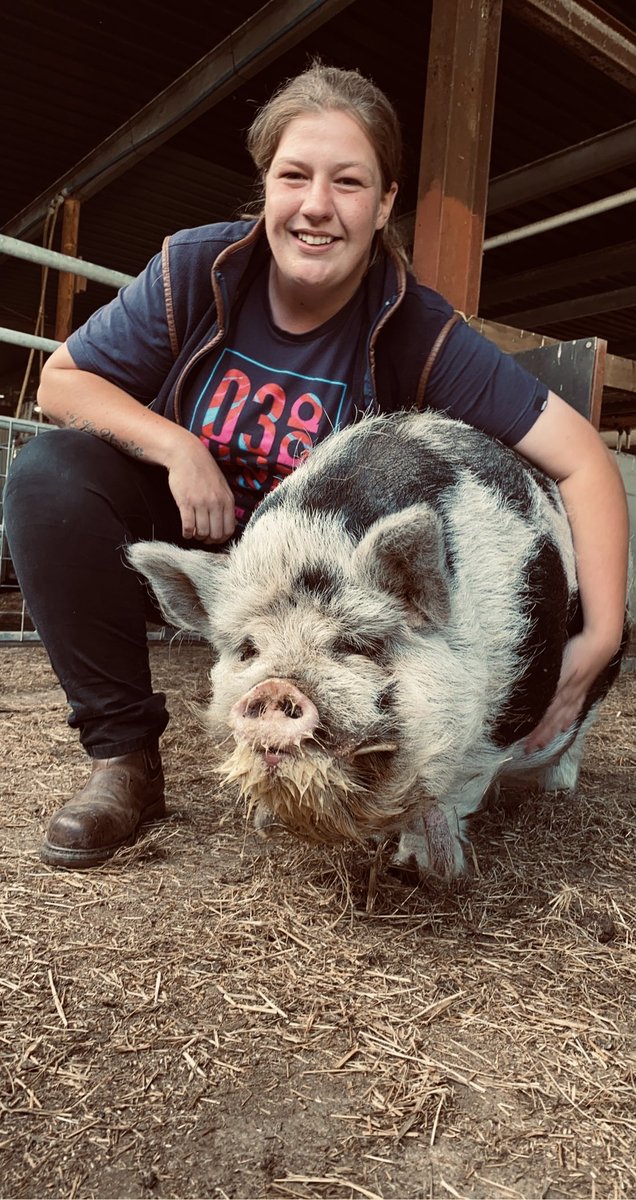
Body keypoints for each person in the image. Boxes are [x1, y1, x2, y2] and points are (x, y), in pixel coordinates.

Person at [4, 62, 628, 870]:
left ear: (385, 203)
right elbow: (60, 381)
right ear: (266, 184)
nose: (317, 207)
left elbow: (584, 461)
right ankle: (123, 759)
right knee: (51, 477)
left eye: (350, 182)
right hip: (228, 549)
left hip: (341, 583)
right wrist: (177, 447)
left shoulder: (416, 328)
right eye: (294, 175)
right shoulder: (198, 272)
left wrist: (603, 637)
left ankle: (390, 771)